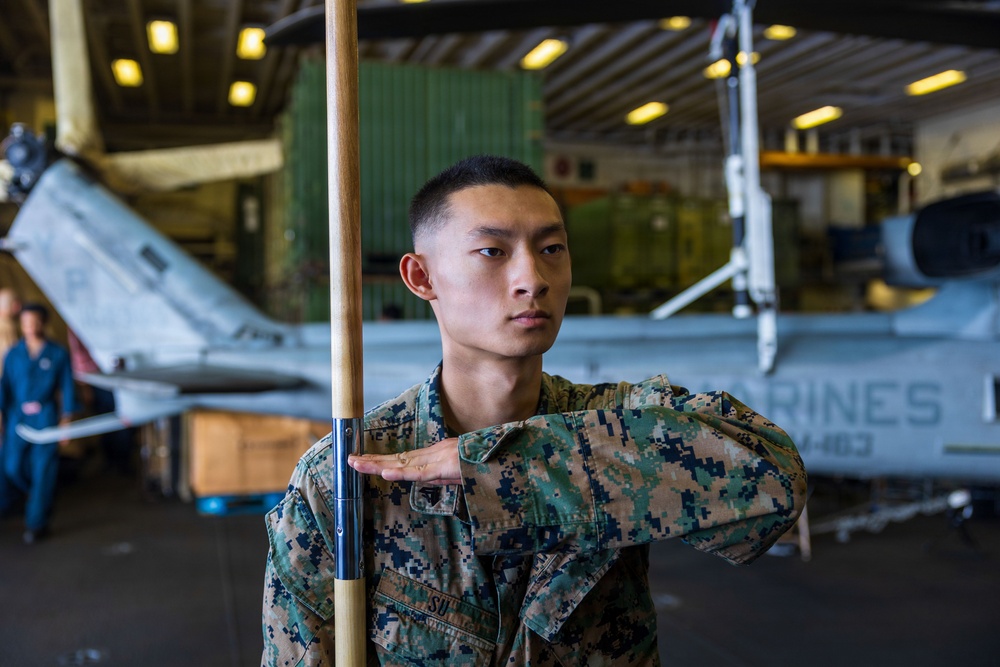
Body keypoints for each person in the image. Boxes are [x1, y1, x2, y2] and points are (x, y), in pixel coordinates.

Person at [261, 155, 807, 665]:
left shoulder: (617, 421)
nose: (534, 279)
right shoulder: (350, 475)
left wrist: (504, 467)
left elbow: (775, 482)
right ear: (421, 278)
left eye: (551, 249)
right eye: (493, 252)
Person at [0, 303, 78, 544]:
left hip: (45, 417)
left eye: (35, 322)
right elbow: (5, 387)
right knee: (13, 467)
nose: (30, 328)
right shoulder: (14, 353)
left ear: (43, 323)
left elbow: (67, 389)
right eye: (26, 323)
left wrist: (66, 422)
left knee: (43, 469)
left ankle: (36, 523)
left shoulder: (57, 353)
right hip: (18, 417)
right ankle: (37, 495)